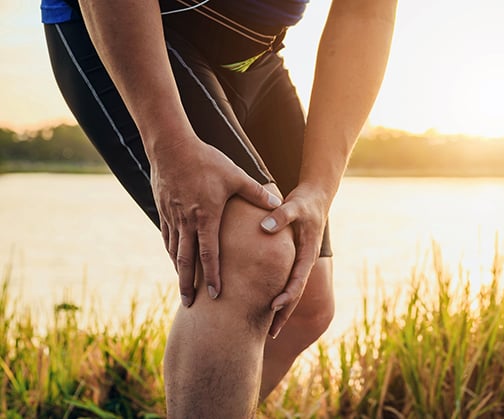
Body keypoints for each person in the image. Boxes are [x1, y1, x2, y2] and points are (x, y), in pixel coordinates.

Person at [41, 0, 397, 416]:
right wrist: (169, 144)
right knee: (253, 251)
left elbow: (366, 12)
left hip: (256, 53)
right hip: (138, 25)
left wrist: (319, 188)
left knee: (305, 303)